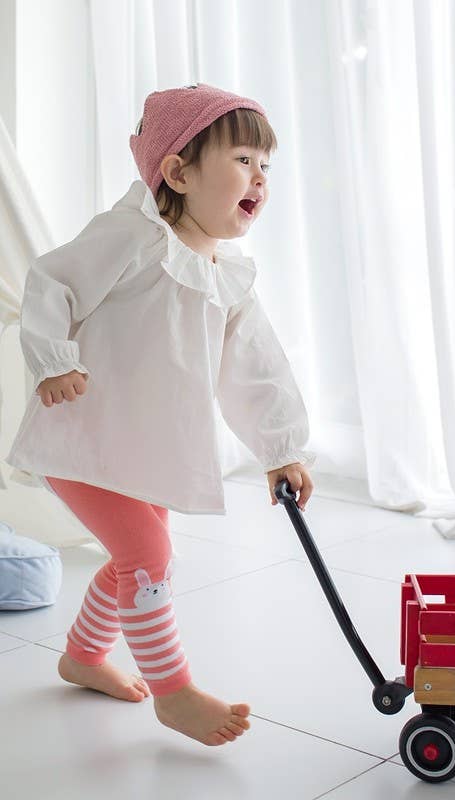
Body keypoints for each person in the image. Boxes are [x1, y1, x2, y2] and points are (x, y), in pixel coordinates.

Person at [5, 83, 316, 746]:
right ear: (177, 171)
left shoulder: (227, 276)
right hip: (82, 437)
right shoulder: (132, 237)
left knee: (138, 560)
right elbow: (52, 280)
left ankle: (82, 658)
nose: (259, 177)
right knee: (147, 554)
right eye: (241, 160)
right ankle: (173, 694)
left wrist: (280, 448)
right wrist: (55, 359)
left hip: (147, 447)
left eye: (266, 165)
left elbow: (256, 367)